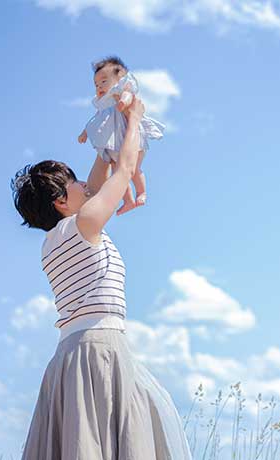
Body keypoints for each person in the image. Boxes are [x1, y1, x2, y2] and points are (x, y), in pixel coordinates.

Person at [11, 96, 192, 460]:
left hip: (70, 353)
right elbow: (123, 171)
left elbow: (101, 176)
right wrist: (136, 120)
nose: (84, 186)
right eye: (74, 183)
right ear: (63, 201)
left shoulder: (55, 241)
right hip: (99, 350)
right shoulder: (84, 225)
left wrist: (108, 130)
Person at [78, 56, 166, 216]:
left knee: (134, 169)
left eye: (104, 81)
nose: (99, 87)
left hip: (130, 140)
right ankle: (128, 200)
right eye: (96, 84)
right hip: (114, 144)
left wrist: (123, 103)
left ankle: (141, 192)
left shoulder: (121, 91)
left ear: (120, 78)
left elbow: (128, 96)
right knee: (116, 172)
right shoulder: (103, 103)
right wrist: (84, 132)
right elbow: (95, 120)